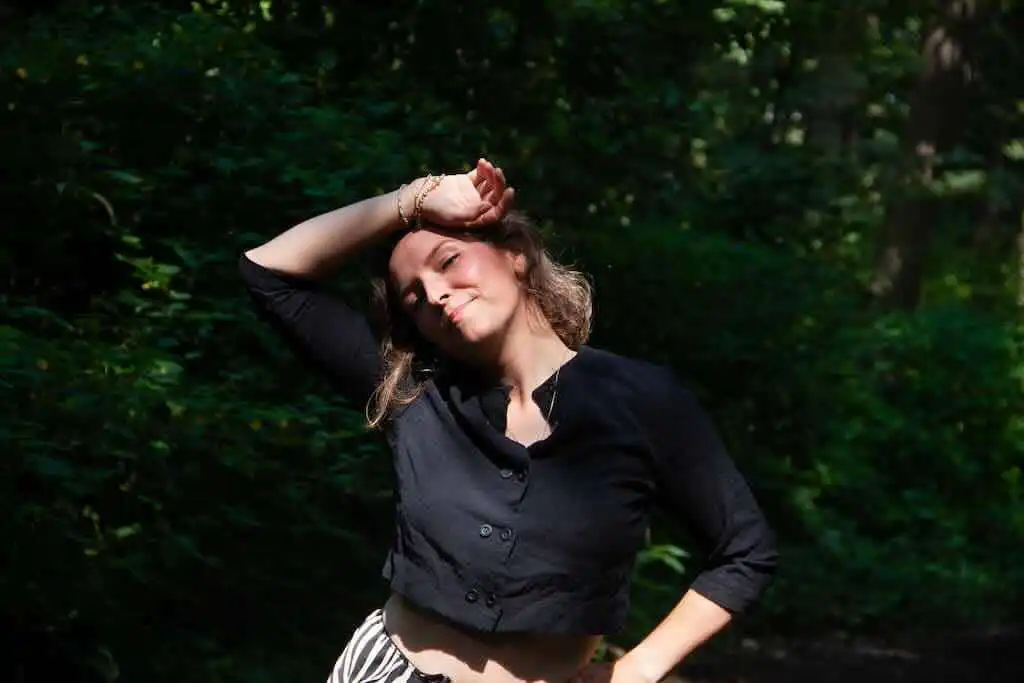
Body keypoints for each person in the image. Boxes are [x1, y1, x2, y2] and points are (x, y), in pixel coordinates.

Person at [239, 158, 778, 683]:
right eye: (415, 298)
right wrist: (414, 198)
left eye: (448, 261)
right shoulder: (413, 392)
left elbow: (744, 549)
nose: (435, 293)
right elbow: (267, 274)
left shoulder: (645, 400)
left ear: (516, 255)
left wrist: (639, 668)